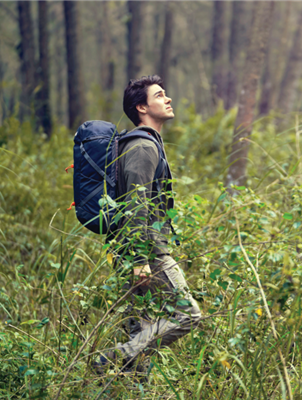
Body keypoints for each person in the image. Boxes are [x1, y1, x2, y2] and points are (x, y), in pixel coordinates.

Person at [95, 75, 202, 374]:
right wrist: (140, 260)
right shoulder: (142, 147)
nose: (168, 99)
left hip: (131, 251)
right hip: (146, 253)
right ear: (142, 107)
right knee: (188, 315)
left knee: (140, 331)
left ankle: (124, 388)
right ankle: (111, 358)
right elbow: (135, 204)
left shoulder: (144, 143)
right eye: (160, 95)